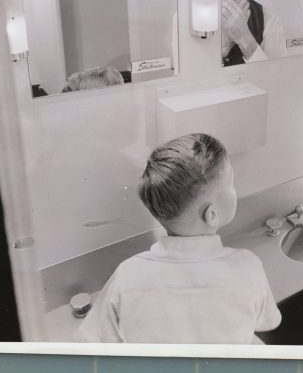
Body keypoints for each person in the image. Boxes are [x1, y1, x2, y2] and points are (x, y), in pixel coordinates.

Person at [75, 133, 281, 343]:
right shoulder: (247, 267)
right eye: (232, 183)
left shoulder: (126, 275)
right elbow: (267, 322)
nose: (235, 188)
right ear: (212, 214)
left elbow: (90, 342)